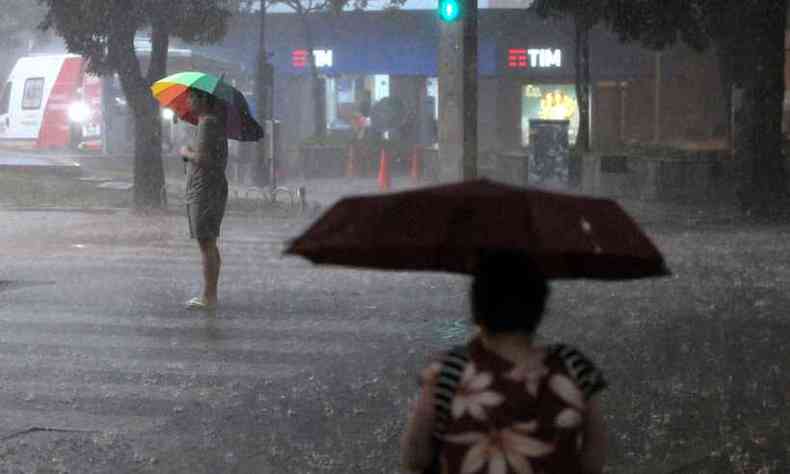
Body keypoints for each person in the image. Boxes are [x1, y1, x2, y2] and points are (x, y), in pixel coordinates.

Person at [400, 250, 608, 474]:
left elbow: (416, 455)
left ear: (477, 307)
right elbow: (593, 459)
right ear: (540, 307)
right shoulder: (573, 367)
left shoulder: (450, 370)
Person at [179, 89, 229, 311]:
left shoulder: (207, 123)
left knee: (206, 243)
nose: (188, 101)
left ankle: (209, 297)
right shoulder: (210, 122)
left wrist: (187, 152)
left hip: (205, 190)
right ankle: (210, 294)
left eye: (191, 97)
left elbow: (204, 159)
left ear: (202, 99)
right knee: (208, 242)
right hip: (209, 188)